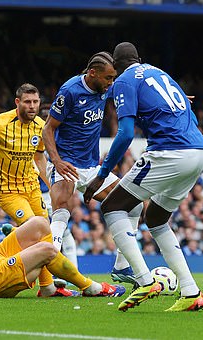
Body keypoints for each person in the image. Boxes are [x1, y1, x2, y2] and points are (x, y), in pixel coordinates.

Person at [0, 83, 121, 297]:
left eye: (36, 102)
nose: (32, 106)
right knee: (35, 227)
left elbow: (39, 158)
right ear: (17, 102)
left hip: (31, 189)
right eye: (28, 102)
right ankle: (61, 286)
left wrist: (52, 186)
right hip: (8, 192)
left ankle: (47, 287)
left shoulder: (40, 126)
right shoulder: (0, 123)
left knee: (46, 232)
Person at [84, 42, 203, 312]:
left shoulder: (125, 80)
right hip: (199, 151)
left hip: (169, 152)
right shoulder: (160, 73)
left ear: (115, 67)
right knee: (155, 218)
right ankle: (190, 292)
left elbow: (126, 133)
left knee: (112, 206)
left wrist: (101, 175)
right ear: (139, 58)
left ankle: (143, 279)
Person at [42, 51, 139, 282]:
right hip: (66, 164)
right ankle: (50, 261)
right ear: (92, 73)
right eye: (108, 78)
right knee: (63, 207)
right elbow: (48, 128)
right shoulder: (70, 91)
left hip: (92, 168)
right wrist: (56, 161)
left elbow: (134, 94)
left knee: (132, 204)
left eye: (113, 78)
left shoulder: (105, 88)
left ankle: (122, 267)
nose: (111, 83)